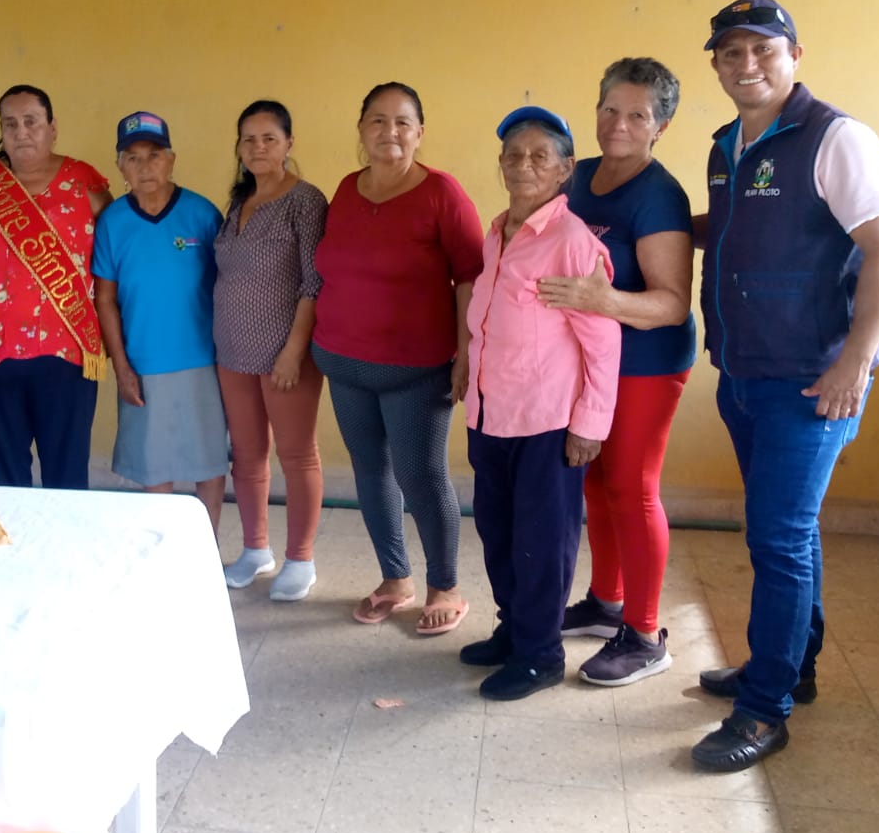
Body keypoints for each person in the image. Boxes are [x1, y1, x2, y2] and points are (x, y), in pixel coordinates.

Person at [688, 0, 879, 772]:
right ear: (717, 65)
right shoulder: (727, 145)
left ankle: (763, 711)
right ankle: (791, 667)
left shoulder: (836, 138)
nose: (747, 64)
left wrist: (856, 360)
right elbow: (733, 231)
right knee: (792, 532)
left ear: (794, 56)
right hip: (744, 373)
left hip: (812, 383)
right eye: (731, 52)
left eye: (763, 49)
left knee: (776, 539)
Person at [537, 58, 696, 686]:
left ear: (660, 127)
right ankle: (607, 602)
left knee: (633, 487)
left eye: (637, 115)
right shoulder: (577, 176)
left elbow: (672, 304)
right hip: (588, 361)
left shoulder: (660, 195)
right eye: (610, 109)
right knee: (597, 484)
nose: (618, 124)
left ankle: (646, 634)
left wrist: (601, 301)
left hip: (647, 363)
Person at [457, 107, 621, 699]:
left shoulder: (571, 242)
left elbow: (602, 340)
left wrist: (590, 425)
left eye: (539, 156)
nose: (523, 165)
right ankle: (515, 631)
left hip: (546, 422)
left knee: (541, 542)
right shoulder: (497, 232)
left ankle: (540, 654)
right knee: (498, 531)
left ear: (564, 169)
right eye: (513, 155)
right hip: (490, 414)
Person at [312, 83, 484, 635]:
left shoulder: (442, 193)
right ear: (362, 129)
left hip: (417, 370)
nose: (390, 131)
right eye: (378, 121)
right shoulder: (346, 189)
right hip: (344, 362)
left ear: (419, 132)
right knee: (370, 471)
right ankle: (395, 579)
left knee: (421, 476)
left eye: (403, 122)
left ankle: (445, 586)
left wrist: (466, 353)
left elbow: (471, 278)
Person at [0, 84, 111, 488]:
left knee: (66, 475)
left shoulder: (83, 181)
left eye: (31, 122)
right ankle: (10, 534)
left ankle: (60, 534)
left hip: (65, 351)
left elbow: (115, 257)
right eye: (10, 124)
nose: (21, 132)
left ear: (52, 128)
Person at [213, 99, 329, 601]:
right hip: (232, 350)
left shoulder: (305, 201)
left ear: (288, 144)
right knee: (246, 455)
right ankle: (255, 549)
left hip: (286, 353)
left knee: (297, 454)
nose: (258, 147)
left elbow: (314, 282)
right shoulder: (238, 202)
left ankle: (301, 558)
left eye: (269, 138)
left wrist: (292, 351)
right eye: (249, 139)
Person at [92, 111, 228, 528]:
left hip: (203, 360)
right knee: (155, 467)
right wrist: (121, 366)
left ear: (171, 159)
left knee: (209, 462)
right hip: (144, 364)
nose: (144, 166)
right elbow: (105, 298)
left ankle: (206, 548)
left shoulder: (202, 214)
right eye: (132, 158)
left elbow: (228, 287)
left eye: (154, 155)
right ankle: (167, 549)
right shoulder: (113, 222)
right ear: (120, 166)